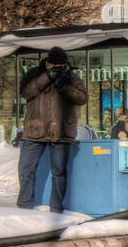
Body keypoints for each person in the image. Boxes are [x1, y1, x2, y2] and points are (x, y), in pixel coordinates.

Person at [16, 46, 88, 214]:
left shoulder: (72, 78)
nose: (56, 68)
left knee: (59, 172)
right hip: (35, 131)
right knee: (26, 170)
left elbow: (82, 98)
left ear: (65, 65)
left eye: (60, 66)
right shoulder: (34, 74)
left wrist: (64, 86)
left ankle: (57, 208)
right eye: (53, 65)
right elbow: (26, 92)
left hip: (61, 131)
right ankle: (24, 206)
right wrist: (46, 77)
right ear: (47, 63)